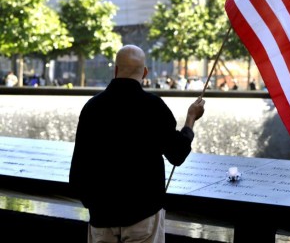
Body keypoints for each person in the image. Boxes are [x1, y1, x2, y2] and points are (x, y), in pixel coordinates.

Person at [69, 44, 205, 243]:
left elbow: (78, 171)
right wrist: (191, 118)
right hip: (143, 217)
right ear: (145, 73)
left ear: (115, 70)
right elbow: (177, 154)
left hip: (101, 218)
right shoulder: (153, 106)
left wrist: (94, 205)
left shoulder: (92, 108)